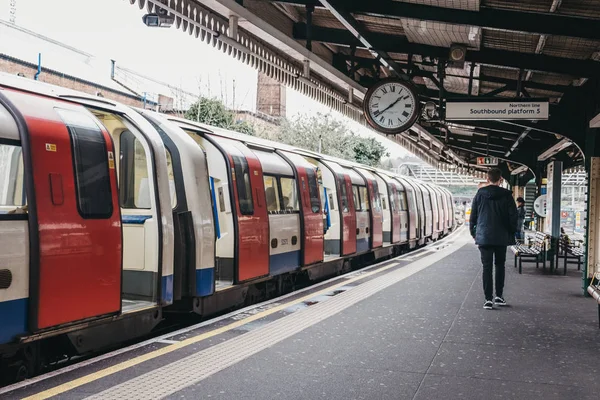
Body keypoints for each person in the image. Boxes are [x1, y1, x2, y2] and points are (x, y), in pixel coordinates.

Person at [470, 168, 517, 310]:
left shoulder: (480, 194)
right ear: (500, 179)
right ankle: (499, 296)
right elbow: (513, 217)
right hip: (501, 236)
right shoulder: (507, 196)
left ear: (487, 178)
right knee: (500, 265)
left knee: (487, 267)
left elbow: (473, 217)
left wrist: (475, 233)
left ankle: (487, 299)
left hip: (484, 236)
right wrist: (510, 232)